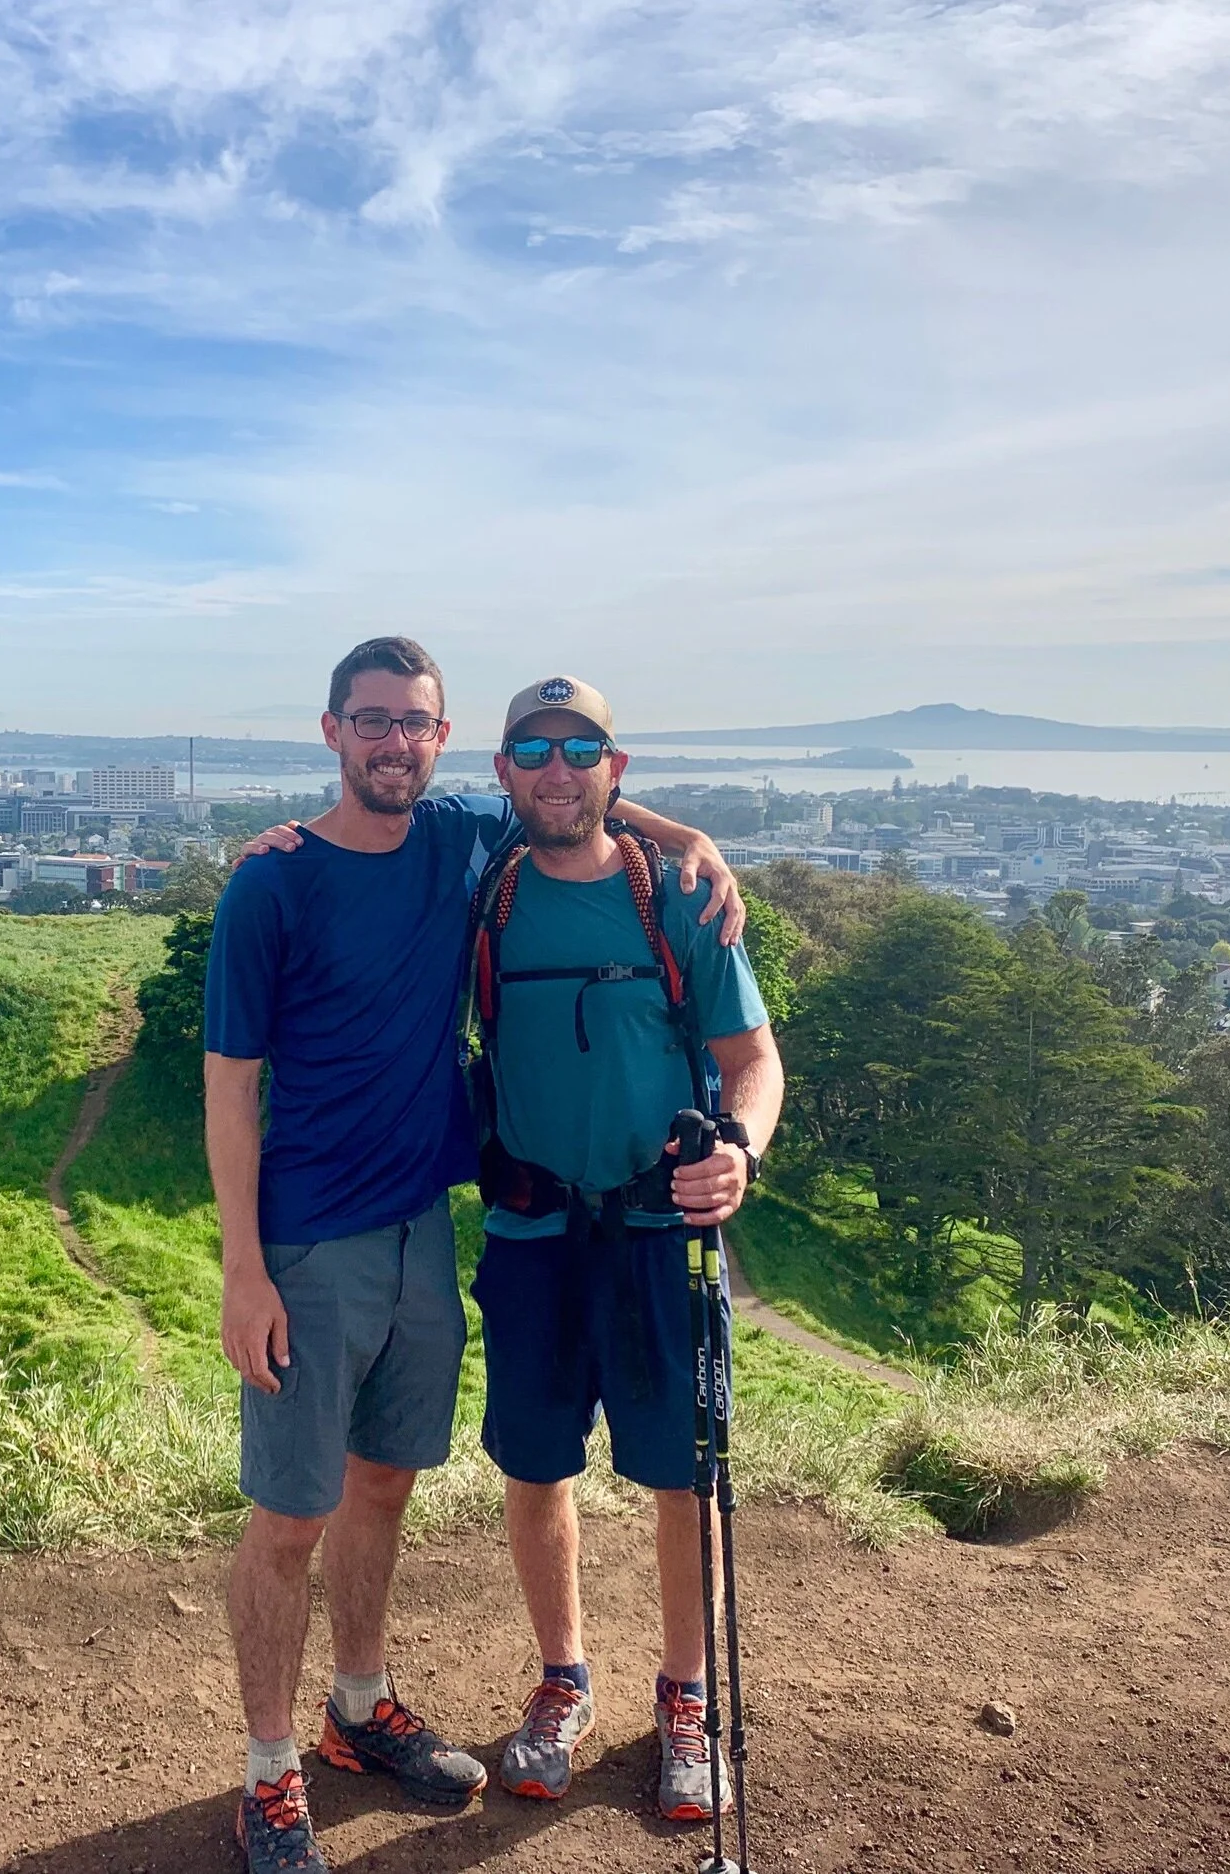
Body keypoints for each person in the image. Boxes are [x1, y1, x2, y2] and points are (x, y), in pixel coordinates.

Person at [204, 638, 743, 1874]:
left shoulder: (458, 839)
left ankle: (357, 1708)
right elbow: (229, 1087)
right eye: (373, 720)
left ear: (443, 745)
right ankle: (268, 1773)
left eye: (415, 723)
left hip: (423, 1234)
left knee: (383, 1484)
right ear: (331, 730)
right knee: (292, 1512)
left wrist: (688, 840)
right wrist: (242, 1268)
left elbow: (568, 799)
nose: (395, 741)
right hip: (307, 1240)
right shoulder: (270, 887)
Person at [466, 675, 783, 1826]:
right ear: (502, 772)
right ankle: (564, 1682)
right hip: (532, 1229)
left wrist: (739, 1149)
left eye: (581, 746)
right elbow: (377, 840)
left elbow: (751, 1056)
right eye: (533, 749)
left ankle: (686, 1700)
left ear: (616, 763)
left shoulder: (680, 901)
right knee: (534, 1466)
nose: (558, 768)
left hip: (659, 1231)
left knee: (678, 1476)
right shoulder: (485, 892)